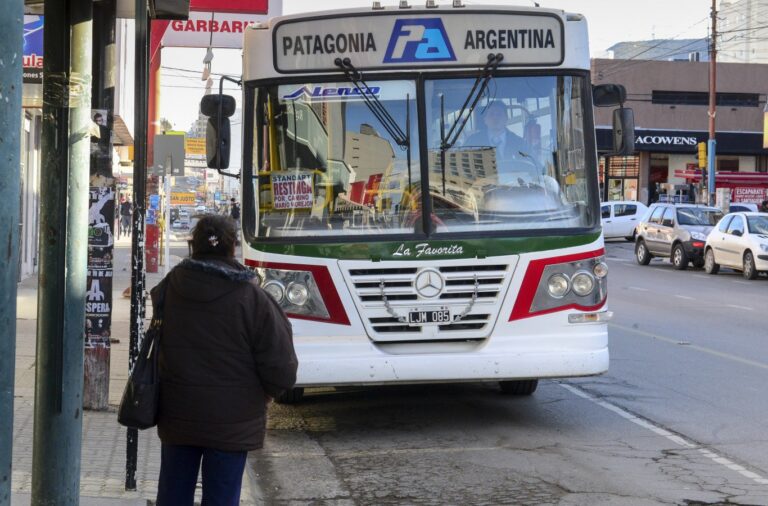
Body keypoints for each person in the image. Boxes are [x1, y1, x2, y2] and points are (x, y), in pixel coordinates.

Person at [151, 215, 298, 505]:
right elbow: (281, 367)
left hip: (178, 413)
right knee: (222, 498)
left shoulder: (169, 288)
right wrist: (268, 392)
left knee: (173, 494)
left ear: (194, 246)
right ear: (233, 248)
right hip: (233, 420)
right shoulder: (253, 298)